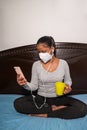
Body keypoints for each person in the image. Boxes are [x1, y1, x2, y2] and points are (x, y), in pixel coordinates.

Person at [14, 36, 87, 119]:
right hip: (41, 99)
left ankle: (45, 114)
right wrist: (24, 84)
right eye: (39, 52)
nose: (41, 54)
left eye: (43, 51)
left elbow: (68, 80)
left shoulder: (63, 63)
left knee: (82, 108)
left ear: (52, 49)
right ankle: (53, 109)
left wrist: (67, 86)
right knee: (18, 103)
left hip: (59, 98)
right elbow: (34, 86)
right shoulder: (36, 65)